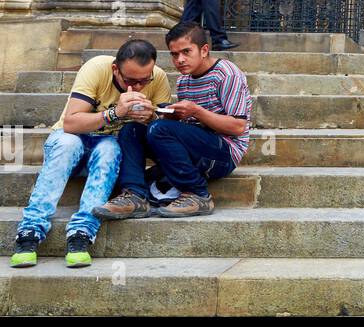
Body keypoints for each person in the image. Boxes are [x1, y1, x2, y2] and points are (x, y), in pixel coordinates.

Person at [10, 39, 172, 268]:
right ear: (116, 69)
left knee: (110, 148)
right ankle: (29, 231)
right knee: (68, 145)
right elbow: (71, 123)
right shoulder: (97, 68)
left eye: (144, 80)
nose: (137, 87)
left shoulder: (158, 78)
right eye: (130, 81)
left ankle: (82, 233)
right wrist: (115, 113)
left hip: (106, 151)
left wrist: (150, 118)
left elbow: (163, 128)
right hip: (70, 141)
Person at [95, 22, 253, 220]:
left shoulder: (227, 74)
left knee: (160, 129)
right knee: (132, 129)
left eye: (186, 52)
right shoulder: (184, 80)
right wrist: (168, 116)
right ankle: (135, 196)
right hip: (195, 149)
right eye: (174, 54)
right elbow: (188, 128)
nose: (180, 59)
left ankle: (198, 194)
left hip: (224, 154)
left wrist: (196, 111)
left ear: (204, 50)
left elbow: (238, 127)